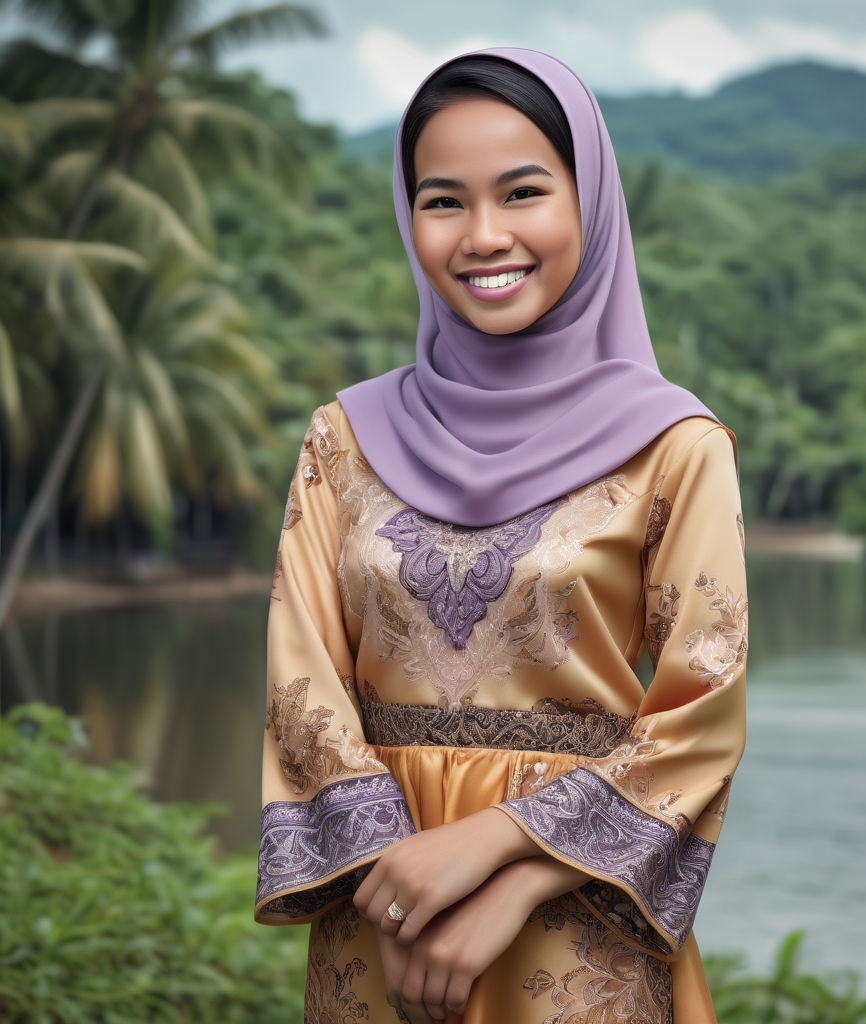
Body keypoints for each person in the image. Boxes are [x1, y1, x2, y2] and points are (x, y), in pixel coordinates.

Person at [255, 47, 747, 1024]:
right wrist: (396, 885)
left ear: (588, 200)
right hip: (380, 905)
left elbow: (699, 714)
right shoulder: (341, 438)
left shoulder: (674, 445)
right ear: (408, 218)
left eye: (522, 192)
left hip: (573, 922)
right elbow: (302, 682)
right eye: (443, 201)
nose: (484, 236)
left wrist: (505, 869)